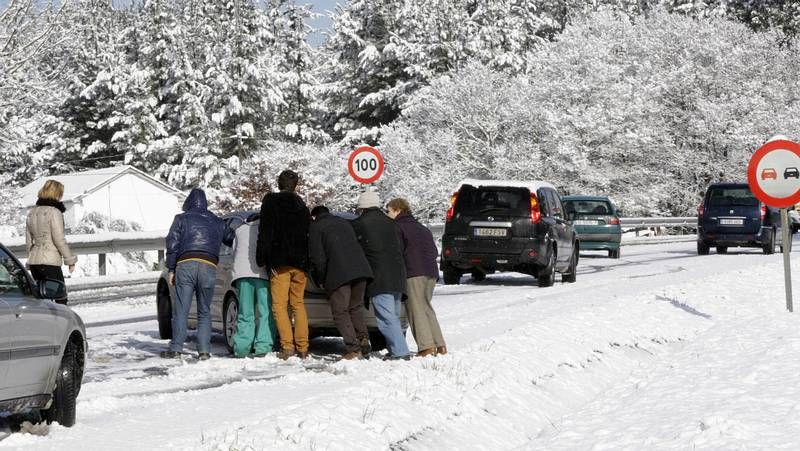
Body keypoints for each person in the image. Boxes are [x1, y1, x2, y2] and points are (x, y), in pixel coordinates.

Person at [162, 188, 226, 360]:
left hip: (186, 264)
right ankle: (204, 351)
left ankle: (176, 349)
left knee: (182, 310)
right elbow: (229, 237)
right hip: (208, 266)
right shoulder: (218, 221)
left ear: (189, 202)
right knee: (204, 311)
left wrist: (171, 269)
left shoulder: (181, 218)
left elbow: (172, 244)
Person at [257, 170, 311, 360]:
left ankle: (287, 347)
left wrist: (262, 258)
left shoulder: (271, 201)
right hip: (301, 263)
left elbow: (265, 231)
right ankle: (303, 347)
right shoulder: (302, 206)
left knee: (279, 306)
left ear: (279, 183)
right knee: (298, 304)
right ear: (295, 185)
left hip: (279, 261)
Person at [351, 190, 411, 360]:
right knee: (393, 315)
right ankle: (395, 350)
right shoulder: (392, 223)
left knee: (386, 318)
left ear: (362, 206)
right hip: (398, 275)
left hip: (379, 276)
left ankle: (401, 352)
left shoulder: (359, 224)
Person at [309, 205, 374, 360]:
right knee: (356, 307)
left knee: (340, 311)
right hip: (361, 269)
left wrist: (321, 279)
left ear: (314, 216)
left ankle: (353, 348)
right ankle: (363, 338)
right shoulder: (344, 222)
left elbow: (318, 258)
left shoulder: (316, 227)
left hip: (339, 273)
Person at [387, 198, 447, 357]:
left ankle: (426, 347)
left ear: (397, 210)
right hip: (431, 273)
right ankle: (439, 344)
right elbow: (434, 252)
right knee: (426, 307)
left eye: (389, 211)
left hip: (413, 272)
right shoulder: (422, 228)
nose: (388, 214)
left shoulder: (398, 227)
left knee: (416, 310)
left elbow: (397, 253)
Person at [231, 215, 276, 358]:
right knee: (265, 312)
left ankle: (242, 348)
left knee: (245, 312)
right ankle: (263, 346)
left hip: (242, 274)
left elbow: (234, 252)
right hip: (261, 275)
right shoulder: (266, 229)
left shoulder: (239, 230)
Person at [26, 179, 76, 304]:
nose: (61, 196)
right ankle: (60, 323)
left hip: (34, 263)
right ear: (56, 193)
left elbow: (28, 241)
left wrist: (31, 258)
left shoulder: (31, 213)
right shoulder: (54, 212)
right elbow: (59, 239)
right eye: (60, 193)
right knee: (60, 297)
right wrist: (70, 260)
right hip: (50, 263)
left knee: (42, 300)